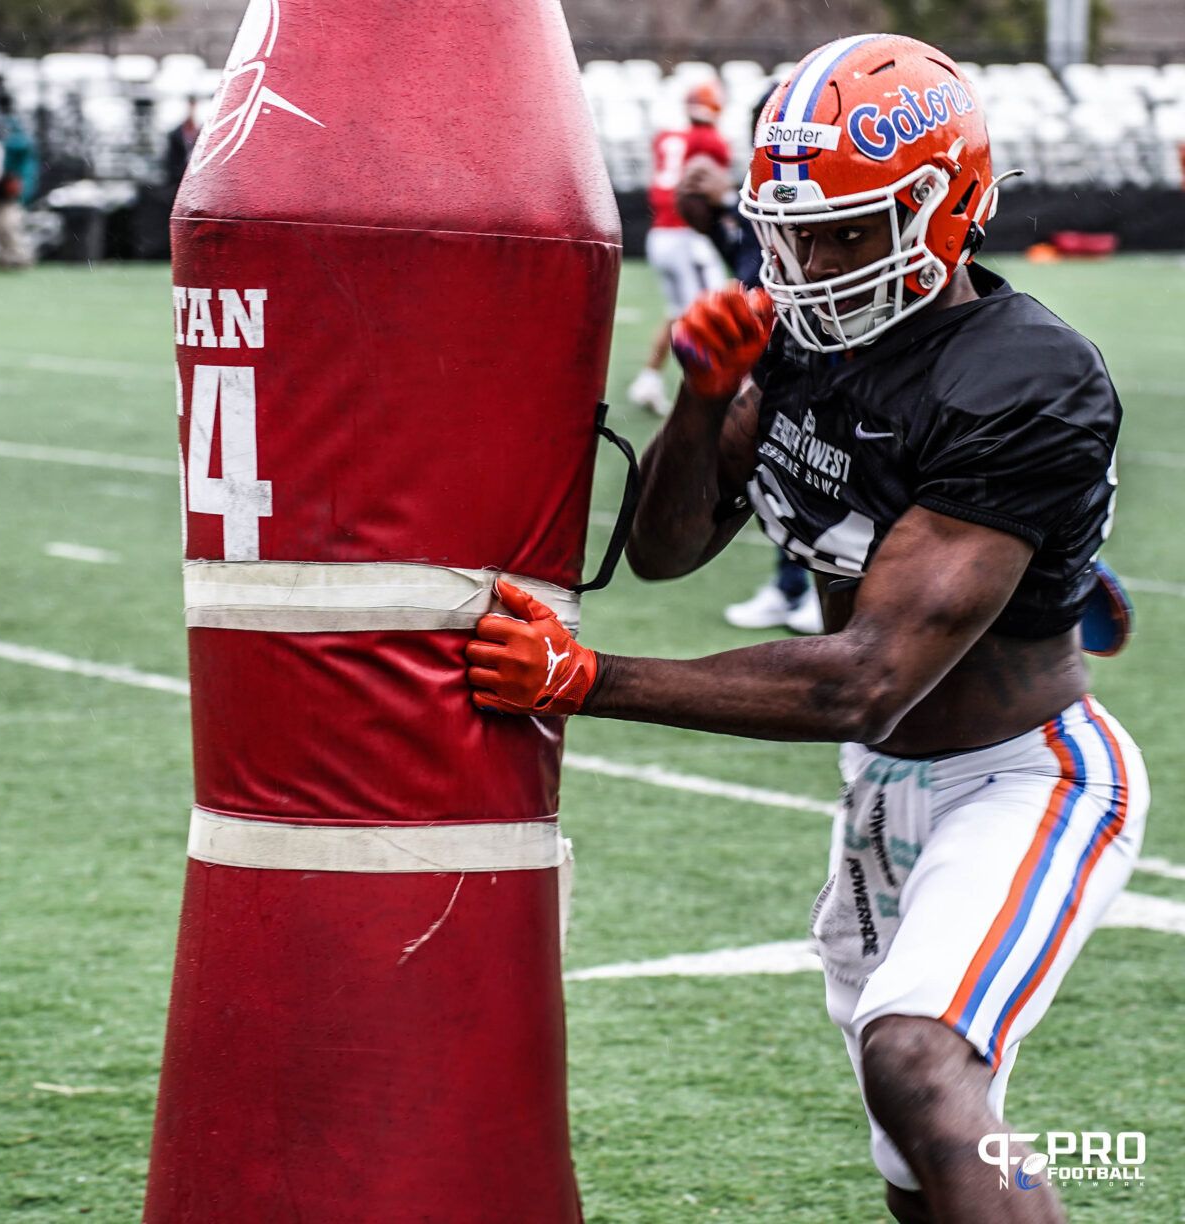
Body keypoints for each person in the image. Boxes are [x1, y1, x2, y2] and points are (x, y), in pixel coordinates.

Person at [466, 35, 1139, 1224]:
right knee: (921, 1162)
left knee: (919, 1062)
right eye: (798, 230)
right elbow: (673, 545)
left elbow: (863, 680)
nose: (813, 263)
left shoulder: (1023, 374)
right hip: (882, 790)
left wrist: (585, 679)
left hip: (1021, 779)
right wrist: (706, 397)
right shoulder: (794, 343)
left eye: (849, 231)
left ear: (947, 208)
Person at [675, 147, 822, 636]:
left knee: (823, 478)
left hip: (818, 354)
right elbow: (744, 262)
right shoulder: (757, 200)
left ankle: (824, 588)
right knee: (782, 480)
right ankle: (791, 587)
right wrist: (708, 208)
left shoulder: (813, 203)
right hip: (772, 359)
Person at [629, 79, 731, 417]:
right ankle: (704, 396)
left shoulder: (667, 139)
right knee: (709, 315)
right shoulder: (711, 142)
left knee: (679, 313)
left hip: (659, 235)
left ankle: (648, 379)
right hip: (689, 238)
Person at [0, 107, 39, 270]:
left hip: (15, 191)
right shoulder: (8, 143)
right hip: (3, 189)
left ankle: (21, 257)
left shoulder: (19, 141)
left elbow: (20, 145)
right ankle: (5, 256)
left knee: (10, 225)